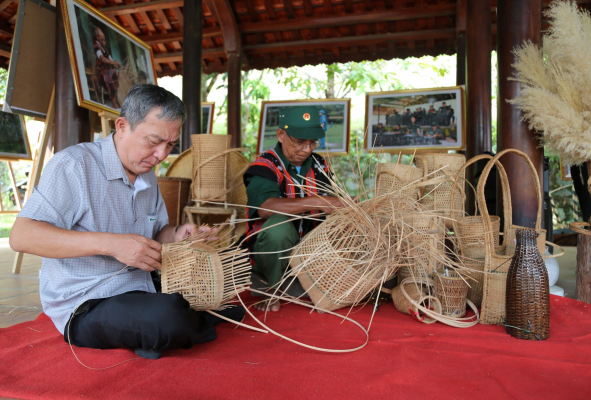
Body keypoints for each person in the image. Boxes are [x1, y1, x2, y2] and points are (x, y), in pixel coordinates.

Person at [9, 85, 244, 360]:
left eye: (169, 145)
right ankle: (171, 327)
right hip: (87, 303)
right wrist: (111, 244)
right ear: (122, 126)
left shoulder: (148, 177)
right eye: (153, 141)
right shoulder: (74, 165)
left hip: (140, 288)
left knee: (228, 304)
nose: (160, 155)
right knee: (166, 317)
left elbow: (156, 233)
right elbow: (21, 236)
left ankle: (165, 330)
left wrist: (180, 233)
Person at [243, 106, 345, 312]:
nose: (307, 149)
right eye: (299, 142)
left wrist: (344, 203)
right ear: (281, 135)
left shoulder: (318, 164)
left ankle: (324, 283)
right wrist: (318, 202)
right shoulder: (265, 165)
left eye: (312, 142)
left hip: (311, 251)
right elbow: (265, 207)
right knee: (278, 227)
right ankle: (272, 288)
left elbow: (334, 198)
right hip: (272, 256)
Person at [94, 27, 122, 109]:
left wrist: (117, 64)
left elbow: (110, 60)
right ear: (98, 38)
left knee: (116, 74)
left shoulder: (106, 50)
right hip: (102, 71)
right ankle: (114, 101)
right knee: (110, 75)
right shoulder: (97, 47)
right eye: (102, 39)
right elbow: (102, 59)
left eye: (104, 40)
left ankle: (116, 99)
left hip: (108, 70)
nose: (104, 42)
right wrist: (113, 63)